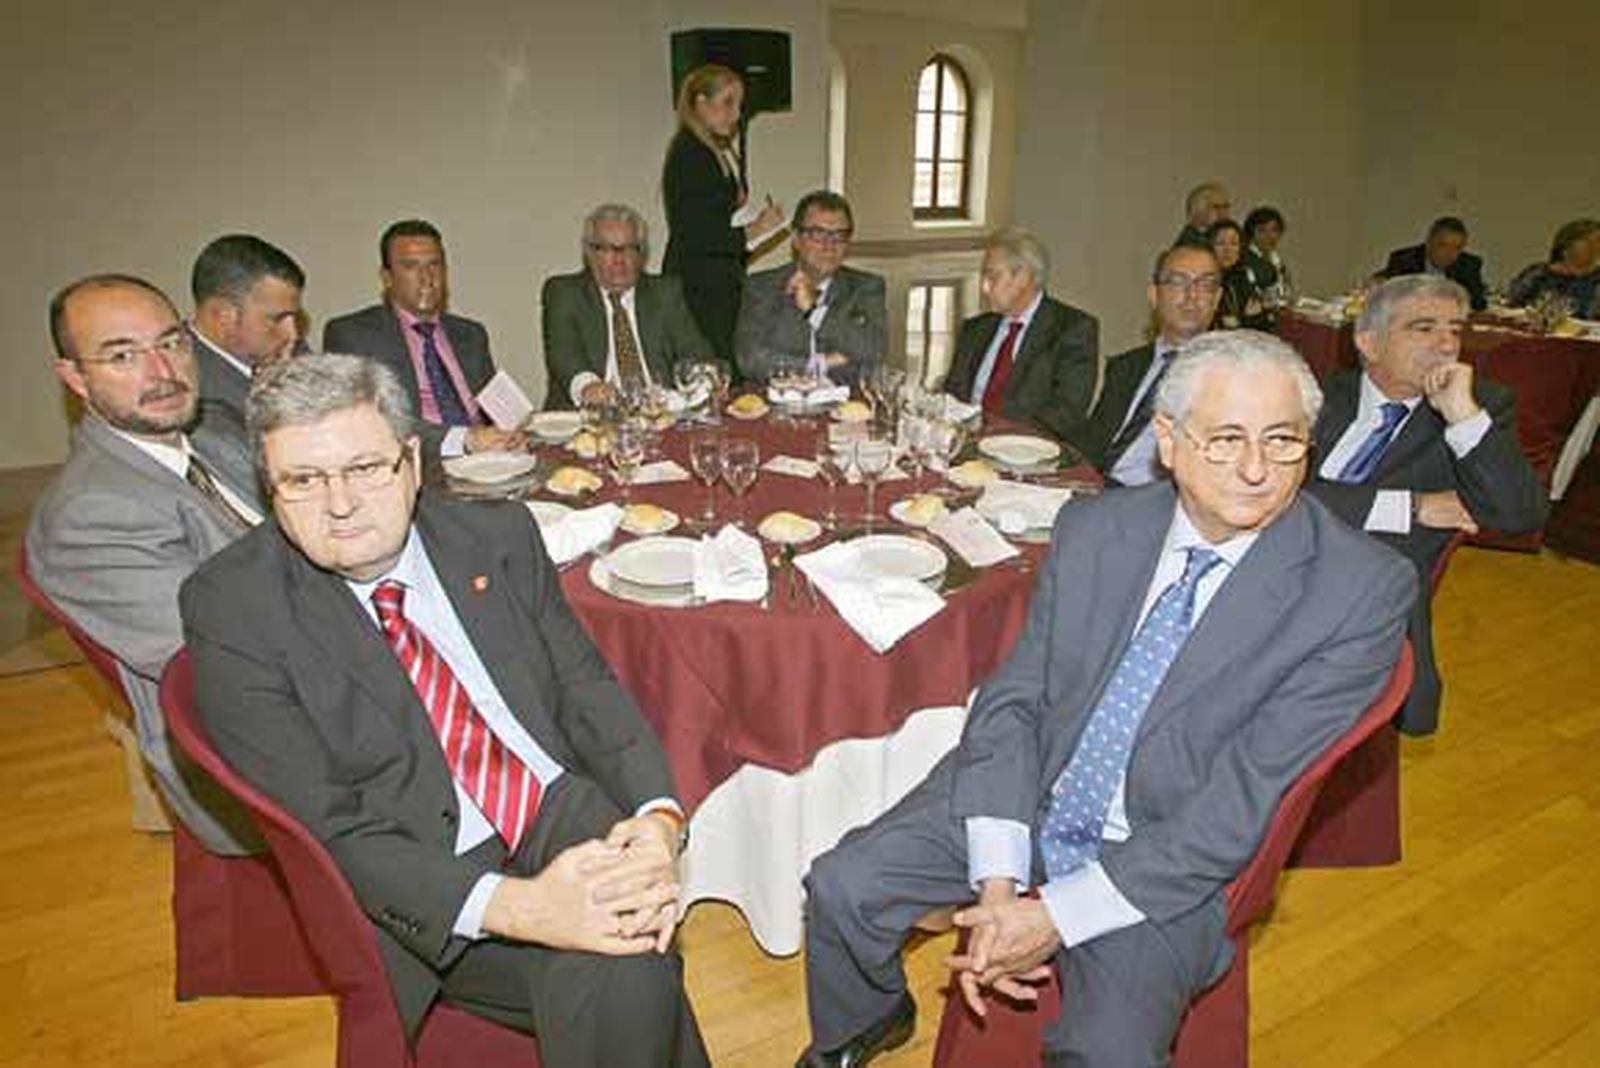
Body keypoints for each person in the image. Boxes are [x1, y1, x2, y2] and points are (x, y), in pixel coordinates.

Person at [796, 331, 1415, 1068]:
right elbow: (1017, 699)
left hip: (1164, 851)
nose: (1255, 469)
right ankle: (868, 1021)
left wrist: (1054, 914)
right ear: (1169, 439)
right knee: (841, 888)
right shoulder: (1097, 525)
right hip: (1039, 791)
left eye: (1282, 442)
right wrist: (999, 881)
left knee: (1107, 1052)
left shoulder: (1358, 591)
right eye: (1224, 440)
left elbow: (1240, 803)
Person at [179, 354, 709, 1066]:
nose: (340, 505)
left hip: (557, 808)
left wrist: (656, 821)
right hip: (428, 878)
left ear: (412, 462)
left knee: (626, 921)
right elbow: (327, 829)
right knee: (630, 955)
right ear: (268, 487)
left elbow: (588, 690)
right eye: (303, 480)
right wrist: (527, 908)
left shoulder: (497, 535)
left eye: (366, 467)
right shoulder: (235, 606)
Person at [26, 274, 260, 854]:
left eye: (171, 342)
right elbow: (236, 665)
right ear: (75, 379)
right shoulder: (90, 517)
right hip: (250, 756)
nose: (162, 373)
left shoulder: (208, 434)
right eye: (123, 355)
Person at [1308, 274, 1547, 735]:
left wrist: (1462, 416)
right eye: (1423, 328)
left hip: (1359, 609)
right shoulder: (1319, 394)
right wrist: (1407, 508)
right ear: (1369, 342)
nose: (1445, 345)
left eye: (1456, 330)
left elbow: (1522, 517)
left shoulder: (1476, 408)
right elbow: (1268, 493)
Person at [323, 219, 525, 456]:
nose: (427, 278)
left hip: (487, 463)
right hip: (418, 466)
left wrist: (514, 431)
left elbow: (498, 407)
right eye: (410, 266)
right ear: (387, 277)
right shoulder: (353, 335)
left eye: (435, 265)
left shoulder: (471, 334)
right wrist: (463, 440)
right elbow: (369, 423)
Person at [662, 64, 785, 370]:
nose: (736, 113)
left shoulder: (708, 149)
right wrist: (754, 229)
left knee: (722, 365)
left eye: (739, 105)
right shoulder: (691, 153)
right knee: (711, 367)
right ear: (701, 103)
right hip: (698, 286)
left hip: (713, 281)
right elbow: (694, 233)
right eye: (727, 103)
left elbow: (709, 217)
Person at [541, 203, 713, 409]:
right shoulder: (564, 293)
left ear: (642, 255)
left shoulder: (665, 293)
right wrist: (588, 386)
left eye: (630, 248)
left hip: (659, 414)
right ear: (589, 252)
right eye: (607, 249)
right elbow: (565, 355)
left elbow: (697, 354)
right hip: (588, 420)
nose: (619, 260)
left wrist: (698, 384)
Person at [940, 226, 1098, 449]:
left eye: (993, 276)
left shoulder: (1071, 330)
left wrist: (999, 440)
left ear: (1024, 277)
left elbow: (1066, 411)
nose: (985, 288)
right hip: (963, 449)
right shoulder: (974, 330)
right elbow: (951, 396)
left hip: (1027, 455)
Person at [1084, 244, 1222, 484]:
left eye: (1205, 285)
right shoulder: (1126, 366)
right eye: (1178, 282)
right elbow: (1093, 443)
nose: (1192, 295)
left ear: (1217, 298)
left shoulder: (1227, 379)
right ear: (1154, 295)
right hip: (1091, 487)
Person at [188, 233, 307, 508]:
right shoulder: (186, 390)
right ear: (223, 316)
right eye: (278, 319)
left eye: (294, 317)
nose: (293, 333)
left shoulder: (288, 350)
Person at [734, 190, 888, 387]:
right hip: (777, 406)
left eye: (839, 236)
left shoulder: (866, 287)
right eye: (818, 234)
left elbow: (874, 350)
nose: (829, 246)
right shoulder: (762, 286)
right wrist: (821, 363)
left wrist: (814, 311)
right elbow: (751, 361)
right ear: (796, 239)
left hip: (845, 406)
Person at [1379, 217, 1488, 311]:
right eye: (1443, 245)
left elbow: (1478, 304)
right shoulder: (1404, 259)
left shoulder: (1469, 264)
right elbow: (1390, 299)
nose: (1450, 254)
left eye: (1457, 248)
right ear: (1429, 242)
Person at [1504, 218, 1600, 317]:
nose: (1593, 246)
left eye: (1597, 241)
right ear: (1566, 244)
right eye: (1586, 240)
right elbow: (1512, 305)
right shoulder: (1538, 273)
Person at [1207, 218, 1269, 330]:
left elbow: (1260, 319)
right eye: (1220, 243)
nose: (1228, 250)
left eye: (1234, 243)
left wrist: (1246, 320)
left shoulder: (1244, 276)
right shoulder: (1203, 282)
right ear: (1209, 247)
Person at [1241, 205, 1292, 306]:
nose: (1269, 236)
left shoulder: (1276, 259)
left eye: (1274, 230)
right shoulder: (1246, 261)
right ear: (1251, 233)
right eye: (1262, 231)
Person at [1176, 181, 1229, 247]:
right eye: (1216, 207)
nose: (1223, 213)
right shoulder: (1189, 245)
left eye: (1226, 207)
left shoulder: (1225, 239)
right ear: (1198, 211)